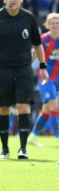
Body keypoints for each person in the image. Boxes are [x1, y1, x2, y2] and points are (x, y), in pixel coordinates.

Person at [0, 0, 49, 160]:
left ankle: (23, 148)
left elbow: (38, 44)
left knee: (24, 107)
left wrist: (42, 66)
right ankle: (4, 149)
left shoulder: (29, 18)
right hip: (1, 70)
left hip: (24, 69)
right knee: (3, 109)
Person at [28, 13, 59, 147]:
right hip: (46, 78)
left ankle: (33, 136)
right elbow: (33, 57)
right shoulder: (42, 39)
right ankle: (58, 136)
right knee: (54, 106)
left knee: (46, 109)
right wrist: (31, 56)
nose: (55, 25)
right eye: (52, 23)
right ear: (47, 25)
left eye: (57, 23)